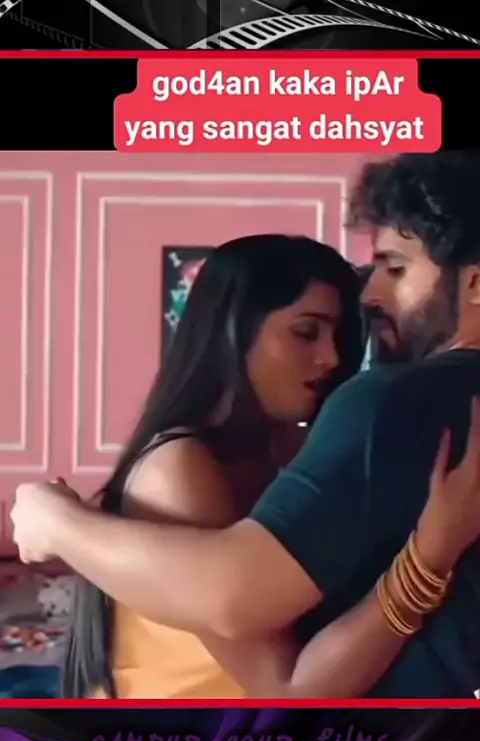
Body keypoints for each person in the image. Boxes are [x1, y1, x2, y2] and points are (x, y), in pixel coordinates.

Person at [11, 152, 480, 698]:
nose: (333, 358)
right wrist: (427, 560)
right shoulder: (182, 465)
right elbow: (284, 684)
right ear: (233, 331)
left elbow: (281, 673)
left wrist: (57, 522)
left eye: (395, 268)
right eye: (305, 332)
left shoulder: (342, 428)